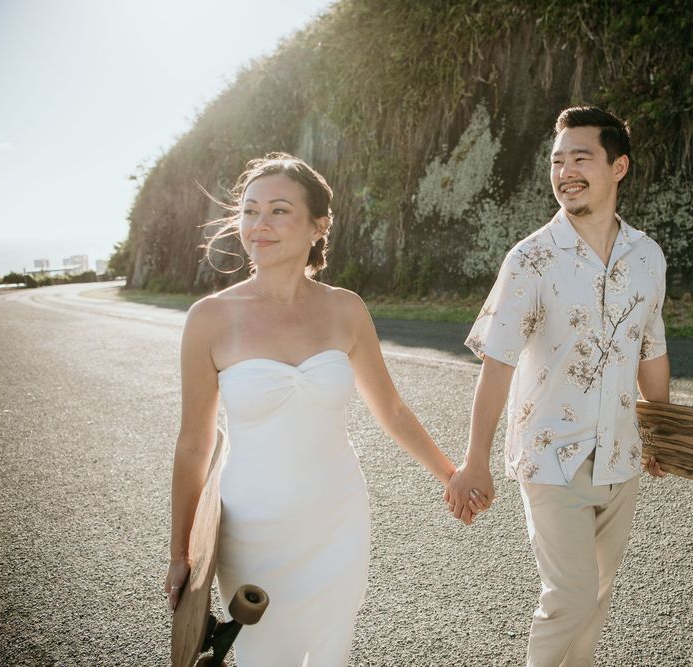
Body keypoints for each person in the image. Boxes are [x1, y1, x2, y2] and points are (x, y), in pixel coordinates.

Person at [163, 153, 486, 665]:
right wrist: (182, 555)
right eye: (249, 211)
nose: (259, 225)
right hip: (252, 526)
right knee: (265, 655)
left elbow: (393, 410)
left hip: (338, 517)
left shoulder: (345, 308)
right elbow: (194, 444)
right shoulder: (210, 318)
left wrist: (450, 475)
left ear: (319, 226)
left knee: (331, 653)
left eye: (278, 211)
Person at [445, 106, 670, 666]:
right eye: (557, 160)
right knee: (568, 598)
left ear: (618, 167)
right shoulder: (531, 259)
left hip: (622, 454)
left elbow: (653, 349)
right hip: (551, 456)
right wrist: (475, 461)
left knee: (595, 600)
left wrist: (662, 431)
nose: (566, 170)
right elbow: (496, 363)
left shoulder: (647, 256)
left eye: (581, 158)